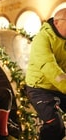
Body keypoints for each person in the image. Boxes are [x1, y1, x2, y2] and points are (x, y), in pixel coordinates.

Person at [25, 8, 66, 140]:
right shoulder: (42, 38)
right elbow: (49, 66)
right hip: (39, 88)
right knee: (55, 125)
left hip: (59, 87)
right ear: (56, 22)